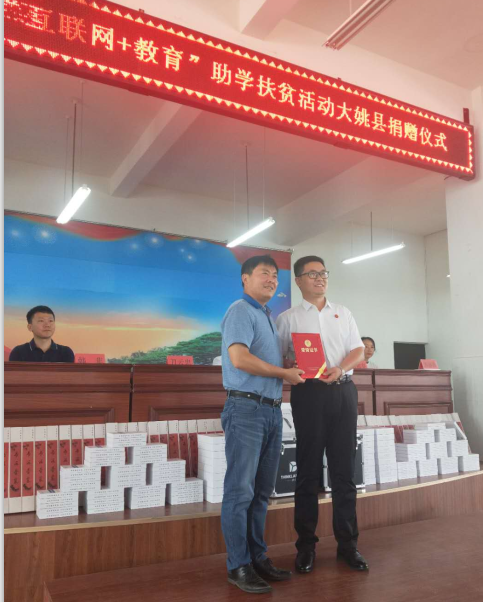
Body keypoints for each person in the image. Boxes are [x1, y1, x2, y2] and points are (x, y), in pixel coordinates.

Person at [276, 256, 368, 574]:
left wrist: (340, 368)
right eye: (312, 274)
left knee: (344, 472)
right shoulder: (287, 319)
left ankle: (348, 545)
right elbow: (278, 361)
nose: (320, 278)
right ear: (298, 281)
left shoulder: (343, 313)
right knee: (308, 472)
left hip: (343, 392)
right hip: (309, 395)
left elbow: (357, 350)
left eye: (323, 273)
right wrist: (289, 367)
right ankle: (306, 547)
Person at [220, 255, 305, 594]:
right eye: (264, 273)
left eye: (275, 275)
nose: (271, 279)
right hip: (246, 409)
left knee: (260, 493)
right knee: (240, 492)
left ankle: (257, 558)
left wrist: (289, 365)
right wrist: (284, 372)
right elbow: (239, 358)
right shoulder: (240, 310)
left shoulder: (267, 317)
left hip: (271, 410)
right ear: (245, 279)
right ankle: (238, 565)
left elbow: (264, 360)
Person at [9, 306, 74, 362]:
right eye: (41, 321)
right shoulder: (18, 352)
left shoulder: (66, 352)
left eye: (50, 321)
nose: (47, 325)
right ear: (30, 327)